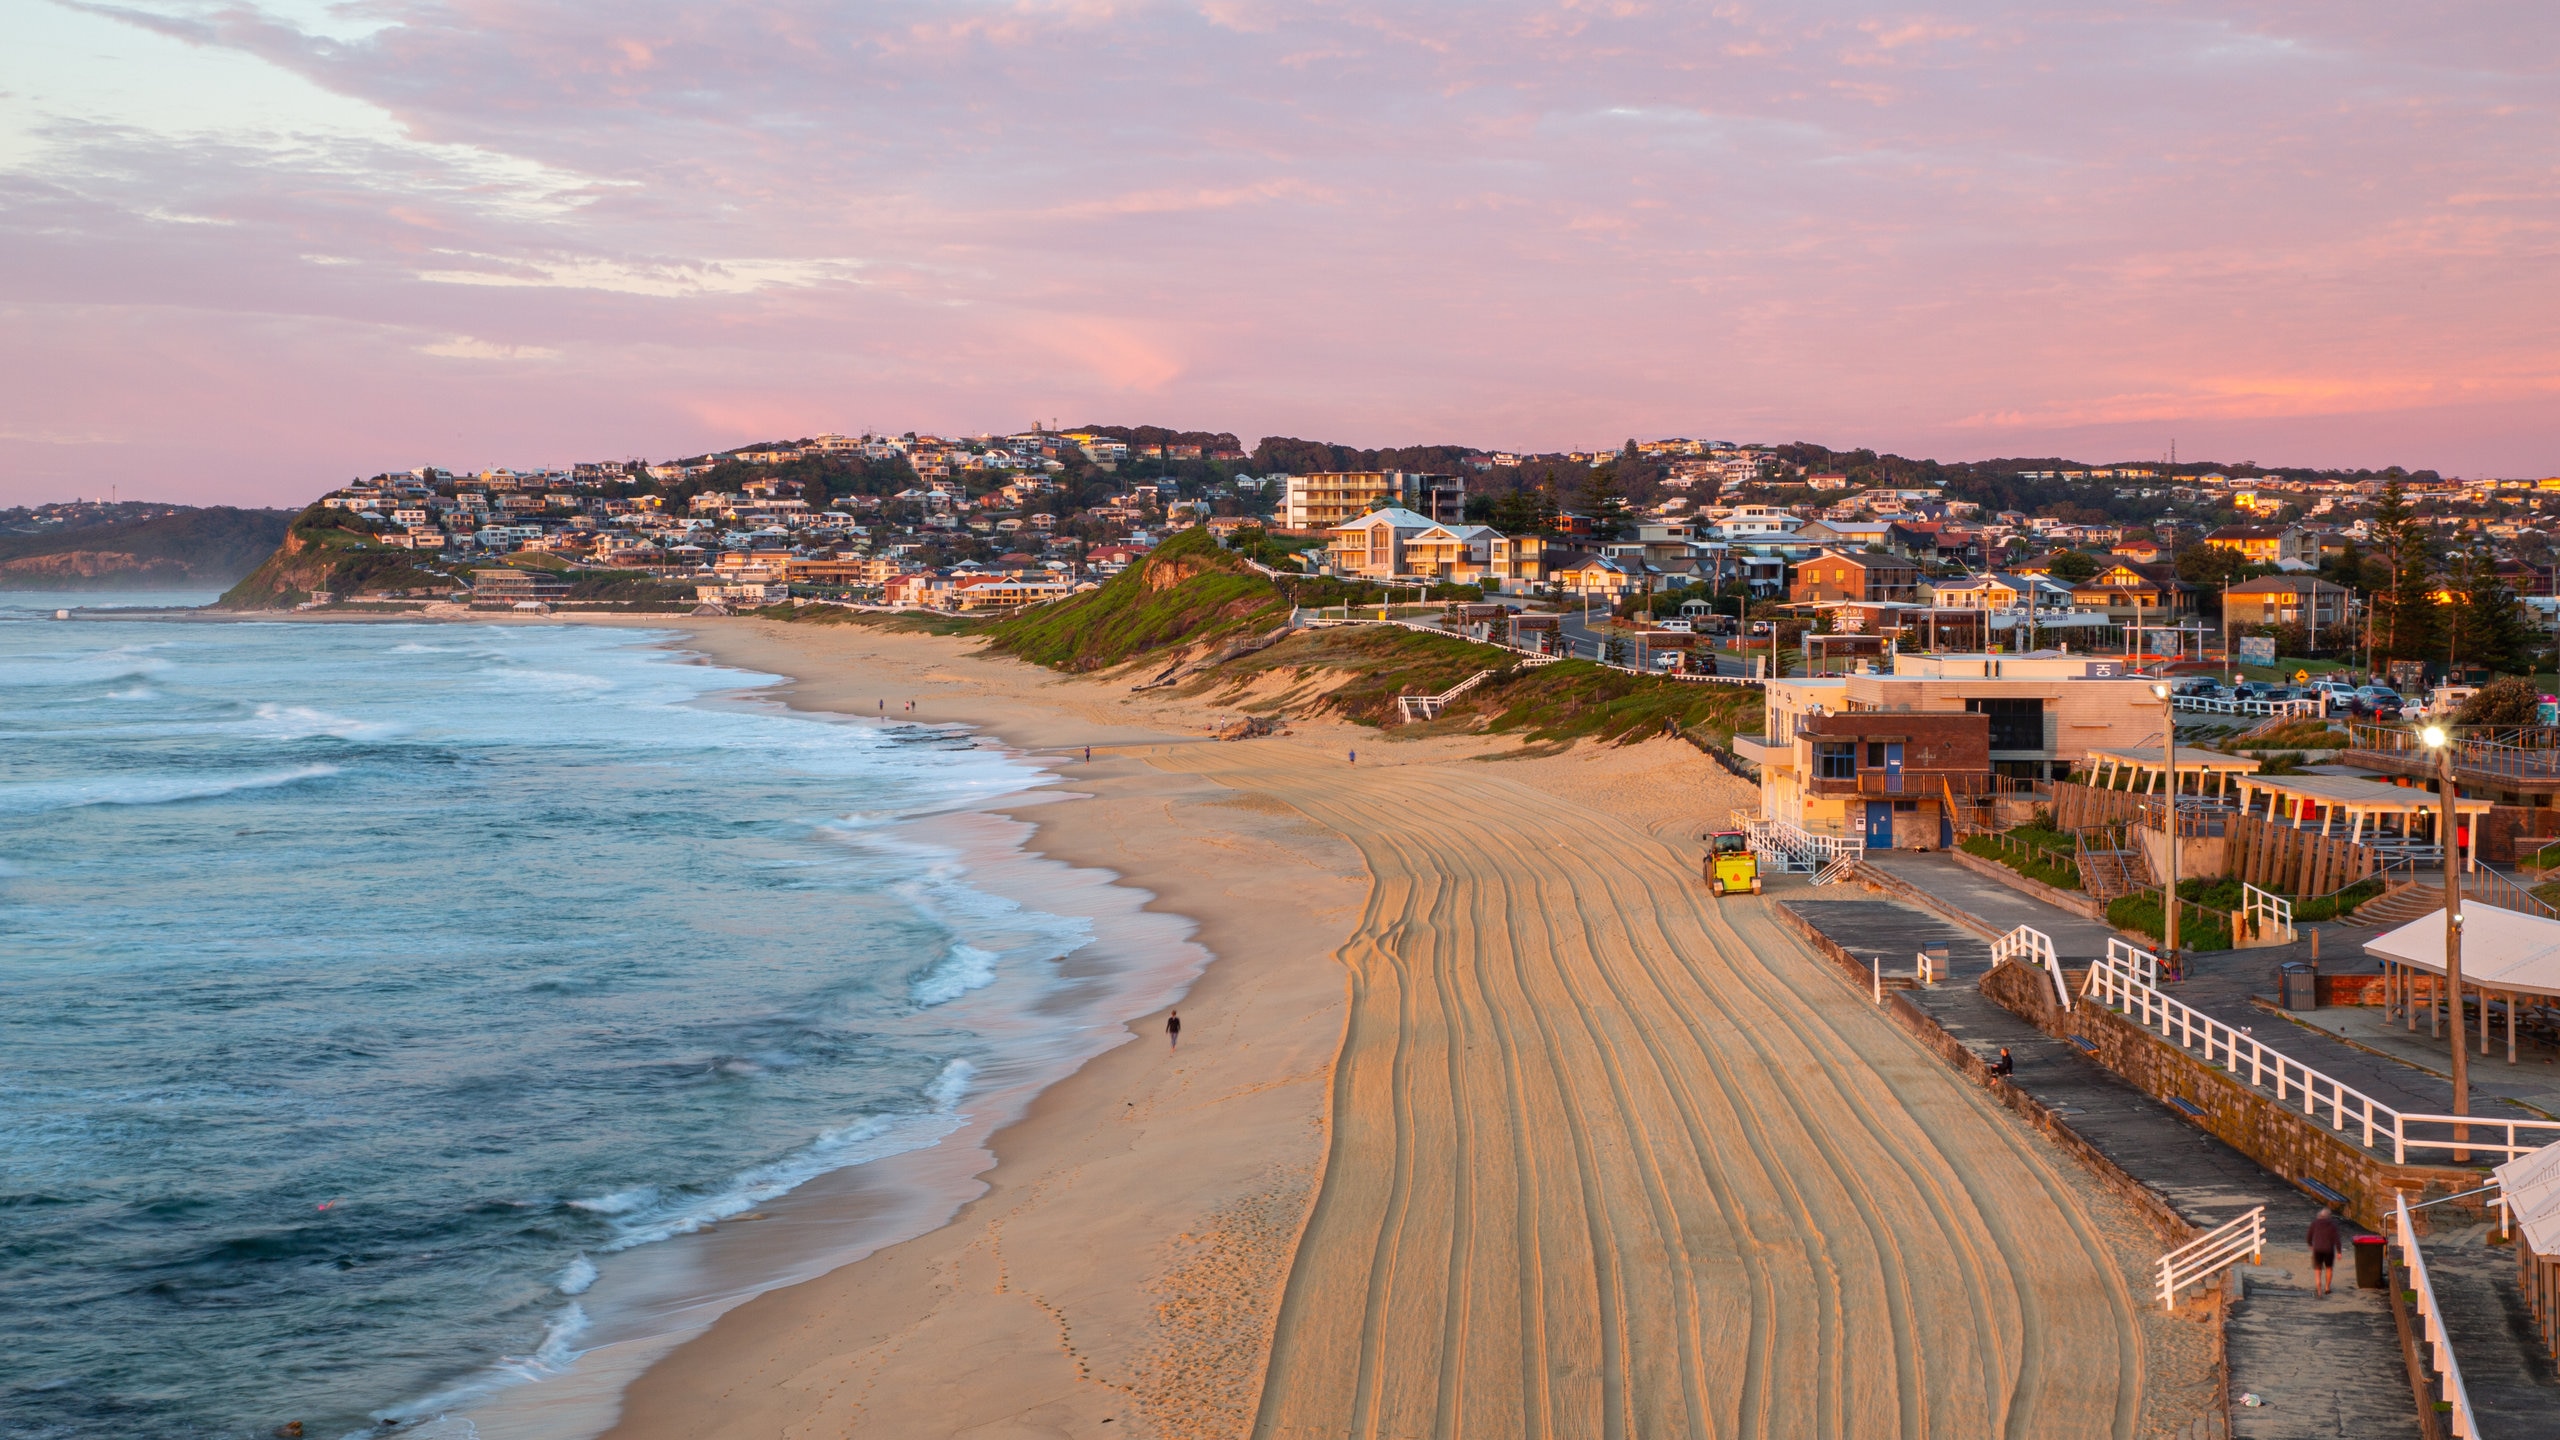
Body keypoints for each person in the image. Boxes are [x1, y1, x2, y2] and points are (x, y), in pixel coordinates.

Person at [2308, 1208, 2341, 1295]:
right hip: (2329, 1249)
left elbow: (2309, 1235)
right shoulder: (2332, 1225)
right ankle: (2327, 1287)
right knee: (2329, 1268)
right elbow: (2337, 1239)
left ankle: (2319, 1288)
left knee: (2318, 1269)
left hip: (2317, 1249)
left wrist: (2310, 1244)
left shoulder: (2315, 1223)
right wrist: (2339, 1251)